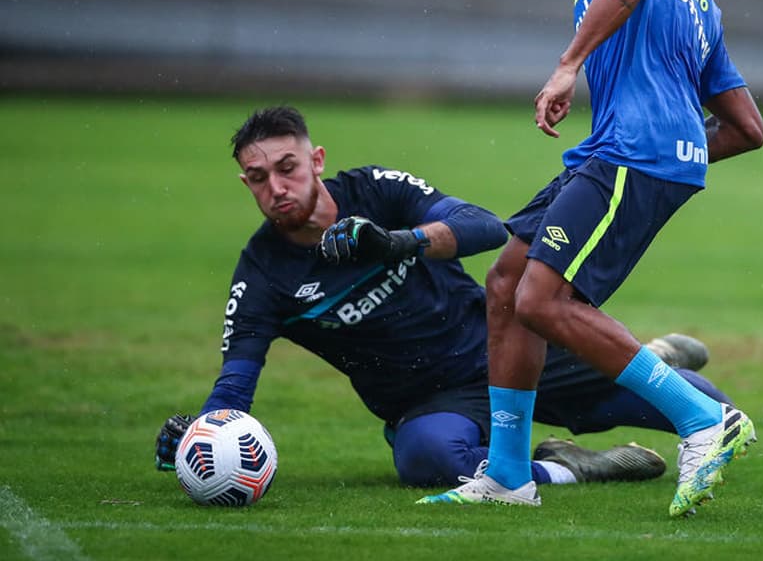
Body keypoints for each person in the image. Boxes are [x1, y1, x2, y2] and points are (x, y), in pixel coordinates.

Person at [153, 105, 733, 490]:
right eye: (259, 178)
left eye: (288, 168)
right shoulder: (261, 275)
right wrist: (204, 434)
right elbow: (237, 382)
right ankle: (569, 468)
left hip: (508, 350)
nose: (277, 188)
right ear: (246, 183)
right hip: (431, 403)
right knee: (428, 460)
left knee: (711, 406)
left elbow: (484, 227)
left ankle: (640, 357)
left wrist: (396, 243)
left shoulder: (375, 191)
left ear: (316, 160)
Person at [417, 0, 763, 517]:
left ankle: (703, 418)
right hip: (623, 151)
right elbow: (746, 127)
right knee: (507, 281)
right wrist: (682, 150)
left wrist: (567, 65)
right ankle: (507, 474)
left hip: (629, 151)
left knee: (542, 301)